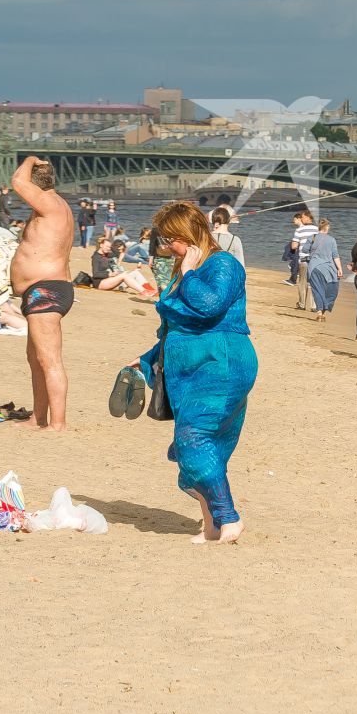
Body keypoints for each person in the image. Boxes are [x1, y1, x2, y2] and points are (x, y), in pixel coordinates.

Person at [129, 200, 257, 544]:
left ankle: (229, 519)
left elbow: (209, 304)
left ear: (189, 234)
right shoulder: (181, 268)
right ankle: (212, 525)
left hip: (221, 364)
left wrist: (188, 272)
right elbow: (174, 327)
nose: (168, 246)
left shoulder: (223, 265)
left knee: (194, 439)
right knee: (201, 446)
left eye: (172, 239)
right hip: (187, 369)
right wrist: (145, 360)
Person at [10, 157, 74, 430]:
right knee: (36, 360)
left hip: (46, 290)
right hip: (40, 291)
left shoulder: (50, 202)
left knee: (49, 360)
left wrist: (28, 160)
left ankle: (57, 424)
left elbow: (17, 182)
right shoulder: (53, 205)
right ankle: (38, 418)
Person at [89, 238, 155, 297]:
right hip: (99, 283)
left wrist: (116, 246)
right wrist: (110, 274)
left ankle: (150, 290)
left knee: (135, 273)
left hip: (109, 280)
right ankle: (144, 292)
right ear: (101, 245)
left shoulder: (106, 254)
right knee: (124, 276)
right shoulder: (96, 257)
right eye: (106, 246)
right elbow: (95, 274)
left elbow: (117, 253)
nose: (108, 248)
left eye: (109, 247)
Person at [305, 218, 343, 322]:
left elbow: (304, 249)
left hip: (313, 268)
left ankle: (319, 312)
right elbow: (335, 256)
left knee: (317, 290)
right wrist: (339, 268)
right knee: (331, 291)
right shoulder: (331, 239)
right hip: (329, 269)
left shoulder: (312, 237)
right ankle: (323, 312)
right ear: (327, 227)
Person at [290, 210, 318, 310]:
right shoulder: (317, 229)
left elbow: (294, 246)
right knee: (314, 282)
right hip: (315, 259)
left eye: (302, 217)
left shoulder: (299, 230)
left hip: (303, 259)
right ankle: (314, 306)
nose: (301, 219)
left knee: (302, 282)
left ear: (307, 217)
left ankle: (302, 304)